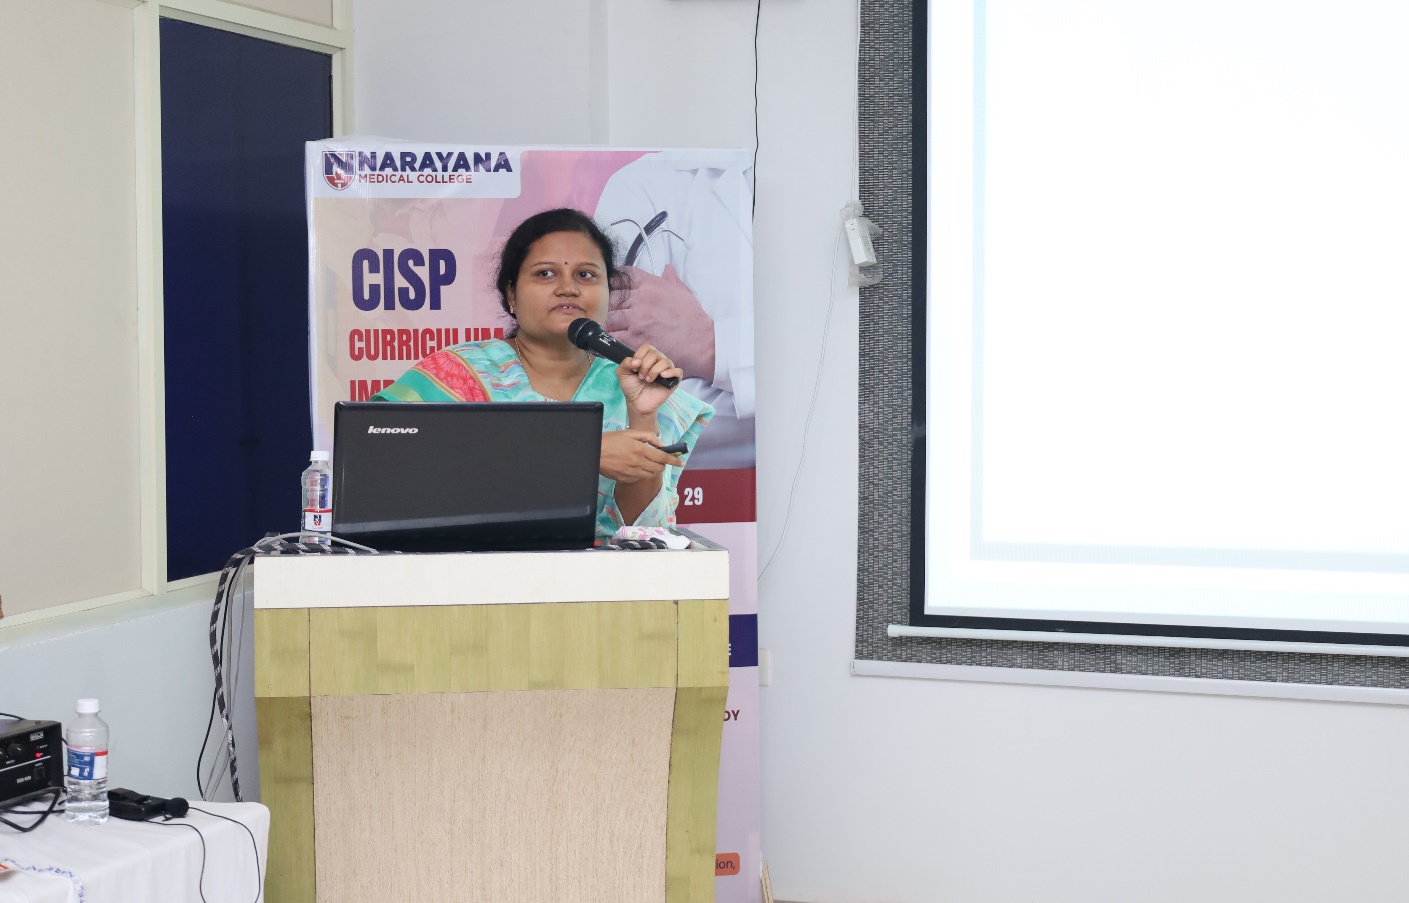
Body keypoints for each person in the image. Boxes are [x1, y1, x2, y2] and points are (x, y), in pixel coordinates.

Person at [372, 208, 713, 542]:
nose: (568, 288)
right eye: (546, 273)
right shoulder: (457, 375)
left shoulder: (632, 386)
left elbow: (641, 535)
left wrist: (642, 416)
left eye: (586, 275)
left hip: (599, 579)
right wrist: (582, 453)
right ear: (511, 294)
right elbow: (381, 460)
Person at [594, 151, 755, 469]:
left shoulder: (841, 188)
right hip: (682, 489)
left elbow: (831, 378)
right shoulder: (648, 182)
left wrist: (712, 346)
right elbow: (624, 409)